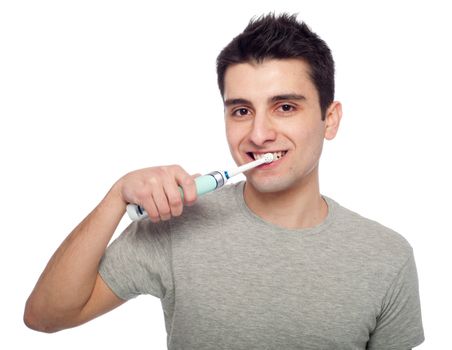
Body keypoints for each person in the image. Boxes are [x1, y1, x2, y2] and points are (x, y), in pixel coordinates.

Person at [24, 13, 424, 349]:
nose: (259, 134)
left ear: (330, 119)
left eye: (285, 107)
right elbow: (45, 316)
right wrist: (115, 198)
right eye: (241, 110)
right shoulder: (177, 224)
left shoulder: (386, 256)